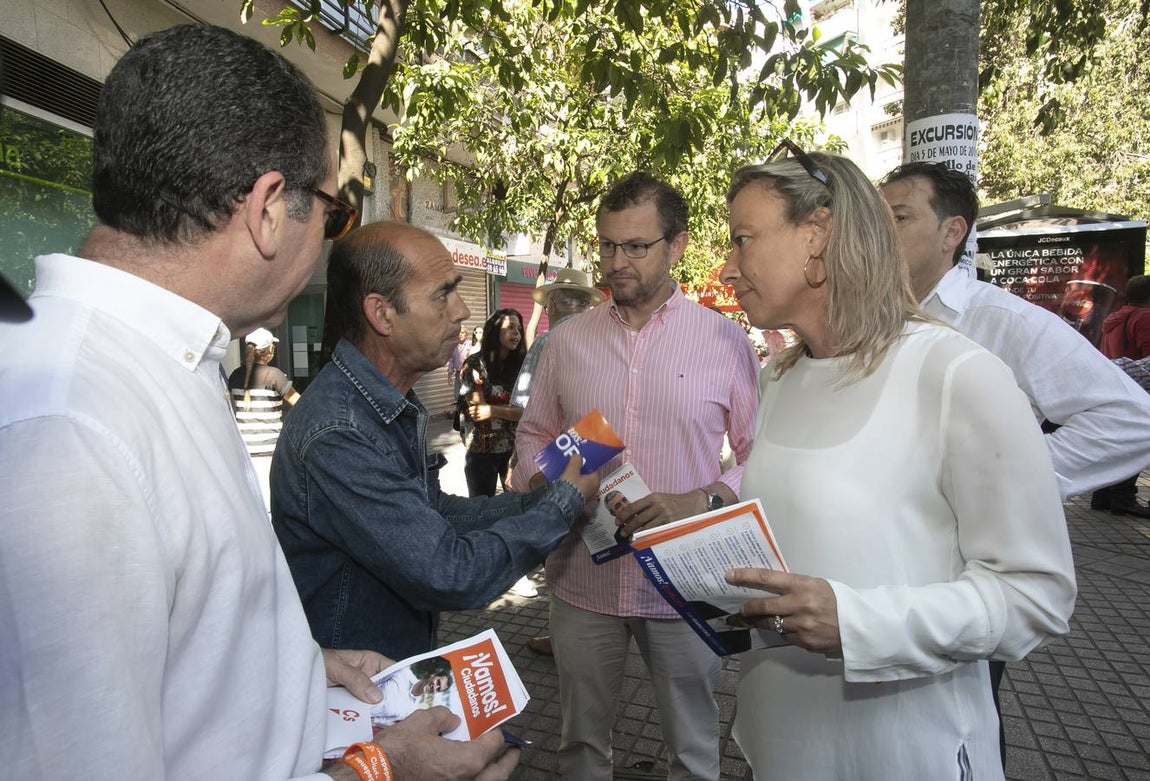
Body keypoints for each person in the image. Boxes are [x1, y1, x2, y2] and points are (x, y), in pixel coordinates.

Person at [0, 24, 516, 781]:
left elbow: (173, 640)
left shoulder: (168, 364)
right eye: (332, 211)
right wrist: (380, 771)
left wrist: (289, 668)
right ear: (270, 207)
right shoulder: (68, 431)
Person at [718, 145, 1076, 780]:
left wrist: (859, 623)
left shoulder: (956, 375)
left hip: (904, 752)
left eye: (743, 240)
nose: (726, 268)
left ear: (820, 233)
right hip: (779, 742)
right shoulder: (779, 375)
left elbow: (1037, 597)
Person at [880, 161, 1150, 767]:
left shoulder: (999, 321)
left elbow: (1131, 419)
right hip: (880, 568)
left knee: (961, 729)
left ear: (952, 233)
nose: (878, 229)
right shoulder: (866, 318)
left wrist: (1017, 479)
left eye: (897, 217)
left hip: (964, 578)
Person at [511, 171, 760, 781]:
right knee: (580, 745)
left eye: (635, 246)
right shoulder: (567, 341)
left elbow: (764, 455)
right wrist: (555, 484)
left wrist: (700, 497)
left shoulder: (725, 341)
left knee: (693, 749)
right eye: (606, 245)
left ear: (676, 246)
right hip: (581, 584)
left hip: (684, 583)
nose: (615, 262)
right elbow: (533, 436)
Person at [271, 221, 599, 661]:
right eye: (443, 294)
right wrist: (563, 504)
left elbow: (434, 513)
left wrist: (537, 499)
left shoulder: (383, 403)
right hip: (355, 695)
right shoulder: (340, 432)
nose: (463, 311)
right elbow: (449, 571)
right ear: (382, 313)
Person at [510, 268, 602, 630]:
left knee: (563, 542)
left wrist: (523, 462)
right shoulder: (601, 338)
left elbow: (524, 404)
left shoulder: (550, 341)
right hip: (597, 442)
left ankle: (563, 626)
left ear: (554, 305)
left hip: (558, 452)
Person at [1092, 275, 1150, 515]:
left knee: (1116, 441)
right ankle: (1124, 498)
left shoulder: (1115, 317)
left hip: (1115, 385)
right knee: (1136, 441)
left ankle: (1103, 495)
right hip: (1140, 388)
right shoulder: (1145, 317)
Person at [459, 308, 527, 497]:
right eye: (511, 328)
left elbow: (529, 411)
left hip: (515, 451)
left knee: (517, 507)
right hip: (481, 452)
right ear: (495, 330)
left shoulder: (524, 366)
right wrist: (512, 411)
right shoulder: (474, 364)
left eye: (519, 329)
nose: (517, 334)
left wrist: (493, 410)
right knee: (481, 510)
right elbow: (478, 411)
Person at [229, 327, 300, 507]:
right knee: (271, 502)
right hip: (270, 449)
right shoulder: (274, 375)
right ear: (269, 350)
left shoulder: (235, 375)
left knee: (253, 501)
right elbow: (300, 404)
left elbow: (231, 408)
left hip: (243, 449)